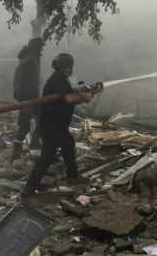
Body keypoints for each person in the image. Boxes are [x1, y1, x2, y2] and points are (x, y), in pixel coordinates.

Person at [23, 53, 102, 201]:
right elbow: (70, 98)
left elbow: (68, 95)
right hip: (51, 126)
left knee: (68, 145)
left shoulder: (60, 79)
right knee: (47, 157)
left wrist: (89, 91)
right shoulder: (58, 79)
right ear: (69, 66)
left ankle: (72, 176)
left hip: (58, 125)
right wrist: (86, 97)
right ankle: (29, 191)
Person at [11, 37, 44, 165]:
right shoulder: (31, 61)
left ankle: (18, 153)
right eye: (41, 47)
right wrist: (28, 101)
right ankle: (32, 148)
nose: (42, 49)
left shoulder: (28, 58)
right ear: (36, 47)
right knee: (37, 121)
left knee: (25, 125)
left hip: (27, 97)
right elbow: (27, 83)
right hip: (28, 98)